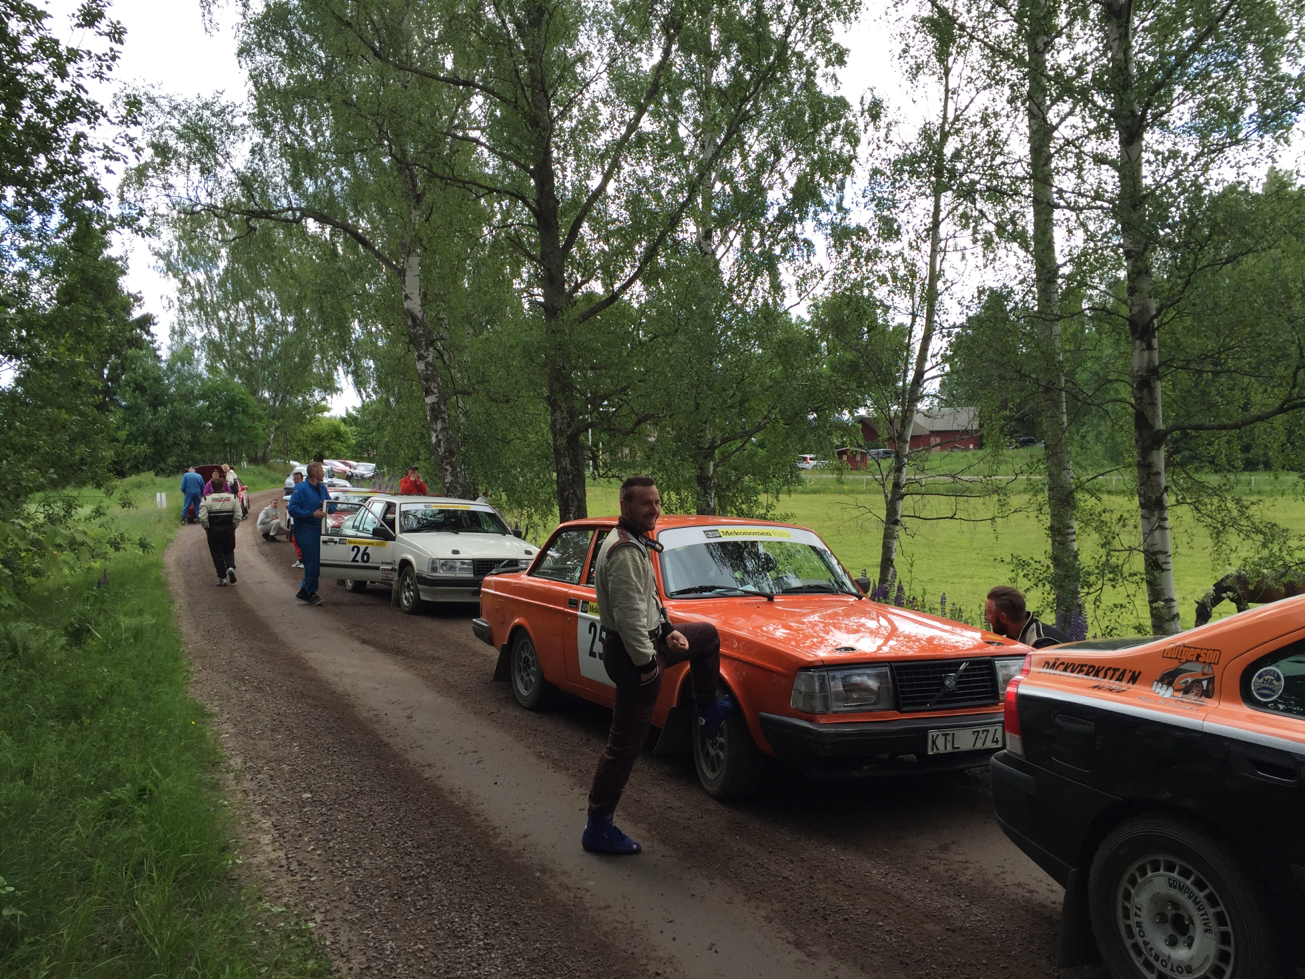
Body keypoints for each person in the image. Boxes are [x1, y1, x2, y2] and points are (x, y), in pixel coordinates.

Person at [583, 476, 735, 856]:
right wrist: (648, 665)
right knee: (624, 746)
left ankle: (707, 712)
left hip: (651, 643)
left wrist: (668, 631)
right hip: (635, 654)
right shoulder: (622, 551)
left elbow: (649, 599)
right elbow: (629, 615)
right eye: (646, 504)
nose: (654, 509)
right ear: (626, 506)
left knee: (704, 636)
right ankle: (598, 827)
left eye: (657, 502)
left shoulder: (635, 543)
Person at [286, 461, 332, 606]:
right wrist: (311, 514)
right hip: (305, 530)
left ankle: (304, 591)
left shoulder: (322, 488)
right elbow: (292, 510)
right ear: (315, 473)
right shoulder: (300, 489)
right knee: (311, 563)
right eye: (322, 471)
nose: (323, 473)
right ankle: (311, 593)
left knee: (315, 563)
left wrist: (329, 507)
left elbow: (331, 506)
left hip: (319, 530)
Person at [985, 586, 1070, 648]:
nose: (986, 617)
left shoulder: (1042, 644)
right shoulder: (1014, 635)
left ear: (1003, 618)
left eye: (989, 613)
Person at [199, 472, 242, 587]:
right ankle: (231, 567)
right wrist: (235, 525)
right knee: (229, 550)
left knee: (217, 553)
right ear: (223, 486)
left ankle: (222, 578)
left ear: (211, 487)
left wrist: (206, 527)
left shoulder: (206, 499)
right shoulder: (232, 498)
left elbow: (202, 517)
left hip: (213, 529)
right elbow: (238, 514)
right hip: (228, 528)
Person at [287, 472, 305, 568]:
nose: (296, 480)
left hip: (301, 519)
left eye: (298, 478)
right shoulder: (296, 489)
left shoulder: (302, 490)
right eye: (295, 479)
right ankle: (301, 559)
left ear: (302, 479)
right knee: (295, 540)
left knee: (299, 540)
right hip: (295, 520)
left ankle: (303, 560)